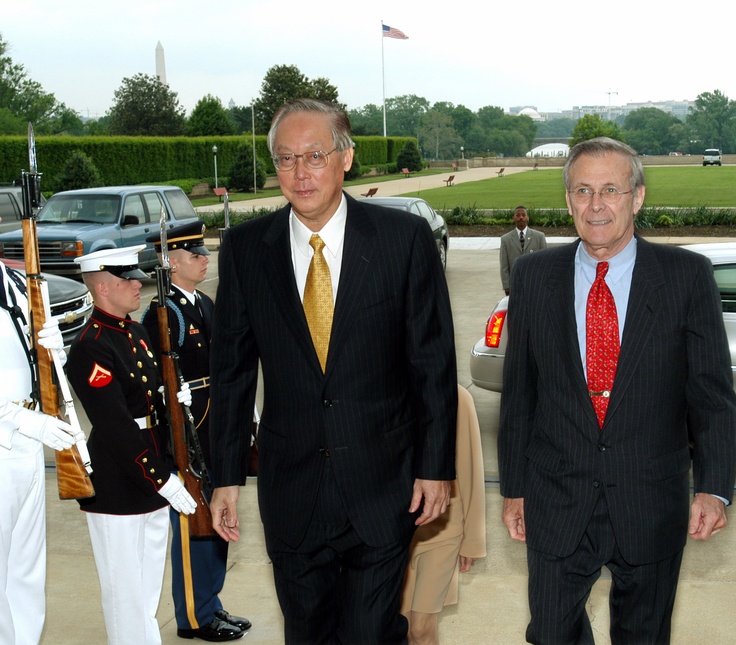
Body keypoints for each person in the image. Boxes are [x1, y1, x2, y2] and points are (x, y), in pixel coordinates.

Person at [208, 98, 457, 644]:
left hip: (383, 483)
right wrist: (224, 476)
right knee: (307, 633)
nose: (300, 173)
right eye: (285, 159)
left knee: (371, 632)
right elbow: (230, 372)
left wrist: (436, 467)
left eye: (315, 155)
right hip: (291, 487)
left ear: (347, 158)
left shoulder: (402, 241)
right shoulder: (247, 249)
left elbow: (431, 365)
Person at [498, 137, 736, 643]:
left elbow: (712, 396)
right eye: (582, 190)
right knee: (550, 632)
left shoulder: (686, 277)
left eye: (610, 189)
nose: (596, 204)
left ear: (638, 196)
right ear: (568, 200)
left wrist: (714, 488)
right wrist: (514, 488)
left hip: (649, 498)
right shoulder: (532, 277)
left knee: (644, 636)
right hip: (557, 496)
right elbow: (520, 393)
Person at [66, 245, 197, 645]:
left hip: (153, 472)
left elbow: (150, 401)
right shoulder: (91, 346)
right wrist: (162, 477)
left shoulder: (135, 331)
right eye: (128, 280)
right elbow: (116, 428)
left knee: (144, 592)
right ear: (103, 287)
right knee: (125, 594)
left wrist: (175, 398)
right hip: (122, 483)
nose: (138, 284)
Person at [139, 222, 251, 642]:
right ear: (169, 262)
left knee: (216, 515)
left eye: (204, 254)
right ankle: (192, 615)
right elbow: (152, 377)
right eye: (194, 255)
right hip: (186, 430)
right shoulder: (163, 312)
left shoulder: (201, 302)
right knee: (192, 522)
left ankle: (211, 603)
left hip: (213, 422)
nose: (205, 260)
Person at [1, 256, 83, 645]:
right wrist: (24, 421)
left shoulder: (19, 284)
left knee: (27, 569)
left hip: (33, 444)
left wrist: (54, 354)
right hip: (10, 438)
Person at [400, 387, 487, 645]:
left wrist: (472, 539)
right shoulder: (379, 389)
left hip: (442, 530)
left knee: (421, 628)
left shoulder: (457, 397)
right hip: (391, 533)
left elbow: (470, 468)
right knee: (398, 627)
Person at [499, 205, 547, 295]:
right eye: (518, 215)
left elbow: (544, 263)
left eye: (523, 215)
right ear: (513, 218)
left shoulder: (539, 237)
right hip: (515, 285)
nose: (521, 217)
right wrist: (506, 286)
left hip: (534, 284)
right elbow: (504, 266)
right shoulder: (505, 239)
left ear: (527, 218)